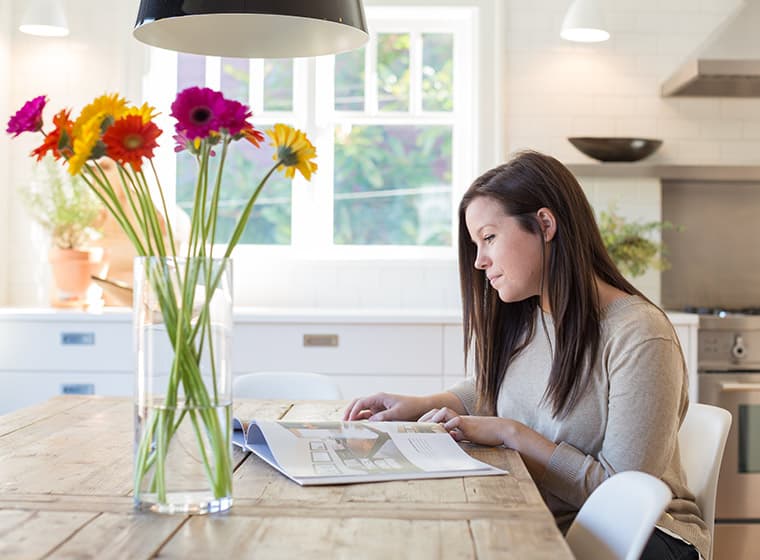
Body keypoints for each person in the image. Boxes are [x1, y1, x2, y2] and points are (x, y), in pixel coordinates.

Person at [344, 151, 707, 560]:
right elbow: (496, 388)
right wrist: (422, 404)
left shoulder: (639, 333)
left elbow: (620, 493)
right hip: (548, 520)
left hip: (639, 540)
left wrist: (509, 433)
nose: (480, 261)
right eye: (476, 244)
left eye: (489, 237)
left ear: (545, 224)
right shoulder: (531, 317)